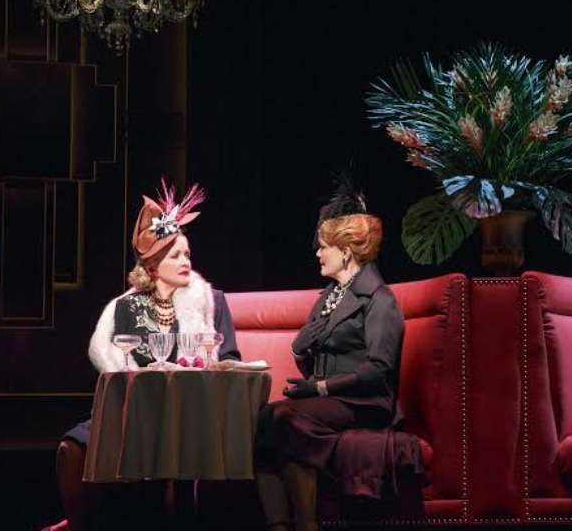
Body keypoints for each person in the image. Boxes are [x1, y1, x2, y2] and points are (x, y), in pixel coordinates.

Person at [54, 181, 241, 531]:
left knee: (169, 451)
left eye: (187, 254)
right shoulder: (126, 307)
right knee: (72, 446)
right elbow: (110, 360)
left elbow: (229, 356)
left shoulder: (212, 301)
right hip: (134, 410)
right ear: (152, 266)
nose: (186, 262)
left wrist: (208, 367)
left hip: (188, 414)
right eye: (175, 256)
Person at [253, 180, 405, 531]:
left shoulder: (380, 299)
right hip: (329, 398)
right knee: (265, 417)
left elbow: (379, 369)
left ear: (346, 252)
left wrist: (321, 387)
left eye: (323, 247)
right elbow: (308, 351)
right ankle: (279, 525)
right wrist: (301, 348)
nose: (318, 254)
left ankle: (306, 524)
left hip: (364, 401)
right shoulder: (330, 296)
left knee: (285, 417)